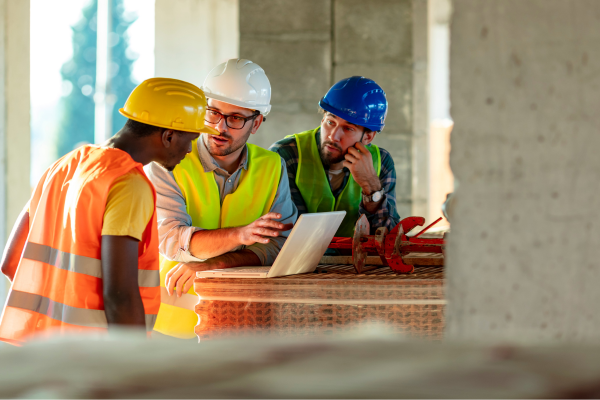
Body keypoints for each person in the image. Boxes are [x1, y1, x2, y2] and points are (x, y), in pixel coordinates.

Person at [0, 78, 215, 345]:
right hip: (92, 358)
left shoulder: (63, 167)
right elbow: (120, 295)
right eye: (191, 138)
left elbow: (11, 263)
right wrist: (130, 363)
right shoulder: (128, 183)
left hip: (39, 350)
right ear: (169, 135)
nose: (190, 149)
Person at [146, 59, 297, 339]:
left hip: (242, 324)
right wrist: (241, 236)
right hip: (170, 326)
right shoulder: (167, 162)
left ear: (257, 122)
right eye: (212, 112)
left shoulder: (272, 166)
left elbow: (280, 247)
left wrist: (216, 264)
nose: (219, 127)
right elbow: (171, 241)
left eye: (235, 118)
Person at [270, 76, 401, 238]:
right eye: (330, 122)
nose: (333, 136)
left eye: (348, 129)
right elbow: (288, 233)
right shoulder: (286, 155)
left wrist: (372, 187)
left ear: (368, 137)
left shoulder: (381, 163)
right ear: (322, 118)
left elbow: (389, 238)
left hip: (356, 263)